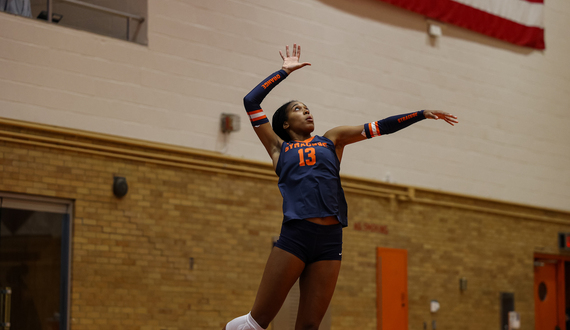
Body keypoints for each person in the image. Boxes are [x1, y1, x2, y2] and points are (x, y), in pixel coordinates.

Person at [224, 44, 458, 330]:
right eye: (299, 109)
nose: (308, 112)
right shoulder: (277, 148)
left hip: (330, 238)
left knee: (309, 327)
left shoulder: (332, 139)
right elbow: (251, 101)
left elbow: (379, 127)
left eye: (309, 109)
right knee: (257, 323)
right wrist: (284, 72)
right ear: (285, 123)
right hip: (296, 234)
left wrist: (420, 113)